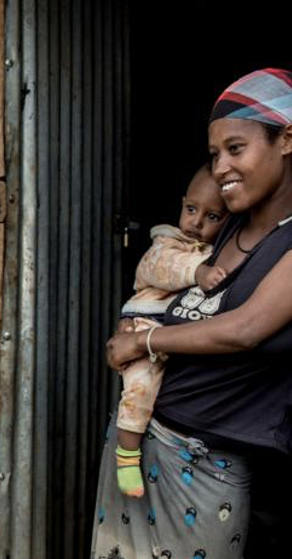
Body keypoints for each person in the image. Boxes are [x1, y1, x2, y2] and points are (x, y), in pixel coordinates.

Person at [85, 68, 292, 559]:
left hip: (209, 462)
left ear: (285, 140)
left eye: (236, 148)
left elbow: (245, 329)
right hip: (138, 444)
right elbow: (162, 275)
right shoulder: (223, 224)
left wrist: (142, 340)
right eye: (214, 153)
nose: (223, 166)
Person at [113, 166, 229, 498]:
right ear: (181, 205)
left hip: (173, 341)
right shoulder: (167, 242)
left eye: (212, 216)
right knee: (139, 390)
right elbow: (161, 269)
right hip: (144, 325)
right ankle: (127, 456)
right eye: (191, 210)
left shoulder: (217, 251)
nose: (196, 222)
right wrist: (199, 272)